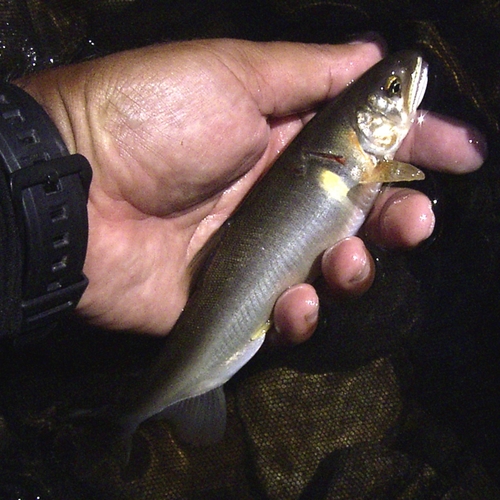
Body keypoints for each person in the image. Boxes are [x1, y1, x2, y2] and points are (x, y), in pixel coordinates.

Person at [6, 38, 486, 344]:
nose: (404, 86)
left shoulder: (362, 159)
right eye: (391, 89)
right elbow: (393, 173)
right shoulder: (367, 162)